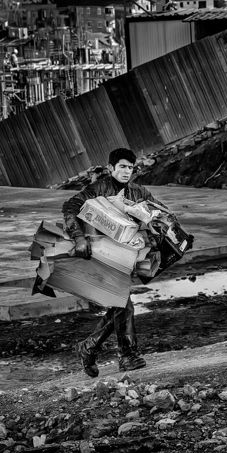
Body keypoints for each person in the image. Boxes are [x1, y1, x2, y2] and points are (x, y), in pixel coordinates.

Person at [62, 147, 153, 377]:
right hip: (100, 253)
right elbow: (70, 207)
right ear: (111, 167)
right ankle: (126, 356)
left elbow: (157, 210)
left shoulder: (137, 191)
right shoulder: (97, 188)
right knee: (122, 302)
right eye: (122, 166)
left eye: (130, 167)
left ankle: (90, 348)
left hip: (126, 255)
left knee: (120, 304)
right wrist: (79, 237)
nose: (126, 171)